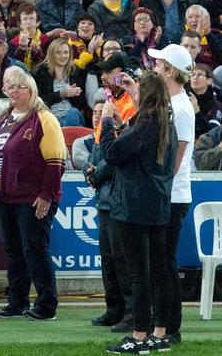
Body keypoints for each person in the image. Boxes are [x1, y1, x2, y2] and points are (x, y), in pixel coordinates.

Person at [0, 66, 66, 321]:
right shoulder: (3, 119)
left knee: (35, 250)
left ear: (31, 90)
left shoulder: (44, 119)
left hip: (32, 198)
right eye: (9, 86)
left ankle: (46, 305)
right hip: (5, 198)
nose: (13, 90)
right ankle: (17, 301)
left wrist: (46, 195)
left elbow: (56, 161)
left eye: (19, 86)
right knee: (14, 252)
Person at [100, 71, 177, 354]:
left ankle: (140, 335)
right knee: (158, 271)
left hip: (134, 206)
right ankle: (159, 333)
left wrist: (107, 122)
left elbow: (111, 153)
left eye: (137, 91)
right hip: (156, 204)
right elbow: (135, 140)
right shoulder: (165, 121)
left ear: (145, 96)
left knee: (139, 275)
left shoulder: (148, 125)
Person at [149, 43, 195, 345]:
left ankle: (169, 325)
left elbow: (174, 162)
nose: (154, 69)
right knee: (161, 263)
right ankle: (164, 322)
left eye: (159, 64)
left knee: (164, 264)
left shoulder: (180, 109)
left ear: (169, 70)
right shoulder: (172, 104)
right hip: (167, 195)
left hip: (171, 197)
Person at [84, 97, 134, 333]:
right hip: (104, 201)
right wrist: (90, 171)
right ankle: (113, 308)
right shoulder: (96, 136)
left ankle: (129, 311)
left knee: (122, 260)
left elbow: (112, 162)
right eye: (94, 112)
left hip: (117, 201)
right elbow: (92, 162)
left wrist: (96, 174)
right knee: (109, 260)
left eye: (101, 112)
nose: (97, 116)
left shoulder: (119, 132)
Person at [33, 38, 87, 126]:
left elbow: (82, 105)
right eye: (58, 53)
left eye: (66, 52)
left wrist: (74, 95)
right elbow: (37, 100)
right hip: (50, 117)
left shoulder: (76, 72)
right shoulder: (40, 72)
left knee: (73, 113)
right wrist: (61, 94)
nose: (63, 56)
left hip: (72, 117)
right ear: (51, 54)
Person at [10, 3, 50, 71]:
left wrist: (37, 52)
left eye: (32, 18)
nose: (28, 22)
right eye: (25, 19)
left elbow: (47, 65)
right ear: (20, 24)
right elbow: (12, 66)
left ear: (38, 22)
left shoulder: (46, 41)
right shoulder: (13, 43)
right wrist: (21, 49)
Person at [187, 63, 221, 138]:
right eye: (192, 74)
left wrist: (197, 112)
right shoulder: (182, 95)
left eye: (200, 75)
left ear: (209, 81)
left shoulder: (215, 105)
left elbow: (212, 134)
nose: (195, 77)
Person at [72, 100, 102, 169]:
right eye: (94, 113)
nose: (96, 116)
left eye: (102, 113)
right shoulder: (81, 143)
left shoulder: (118, 140)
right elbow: (85, 166)